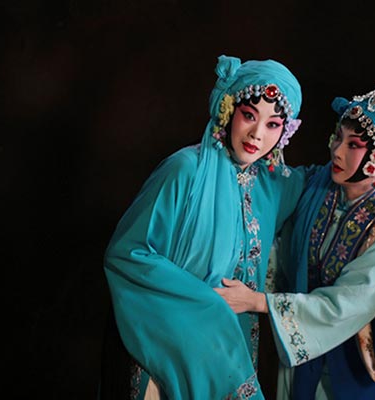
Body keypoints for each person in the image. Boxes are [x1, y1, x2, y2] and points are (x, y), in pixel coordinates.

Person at [215, 79, 375, 399]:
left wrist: (257, 301)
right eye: (338, 137)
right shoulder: (319, 184)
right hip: (301, 364)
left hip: (352, 371)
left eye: (353, 145)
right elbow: (271, 190)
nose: (337, 151)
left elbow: (345, 305)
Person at [100, 54, 308, 400]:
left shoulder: (275, 184)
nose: (257, 134)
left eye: (273, 125)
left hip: (229, 355)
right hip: (170, 345)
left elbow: (331, 184)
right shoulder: (185, 170)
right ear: (228, 110)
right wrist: (207, 307)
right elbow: (127, 254)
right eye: (249, 115)